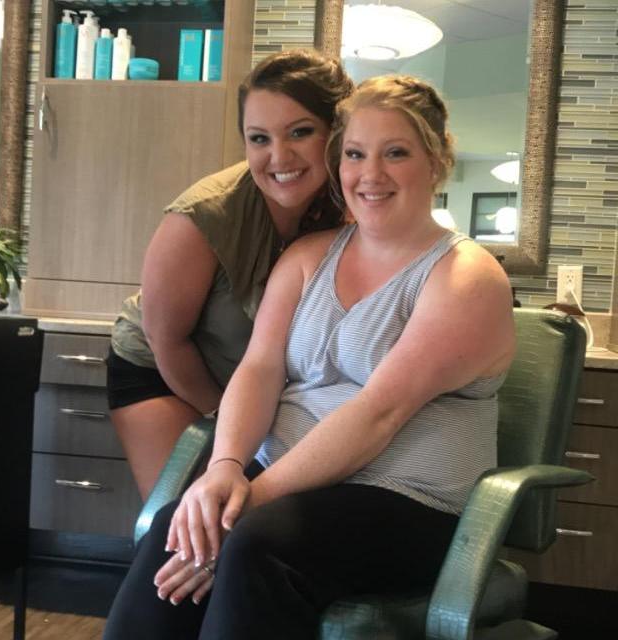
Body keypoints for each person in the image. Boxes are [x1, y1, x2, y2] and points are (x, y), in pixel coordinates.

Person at [103, 74, 516, 640]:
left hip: (411, 502)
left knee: (254, 545)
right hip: (289, 487)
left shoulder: (467, 278)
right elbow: (259, 368)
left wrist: (244, 508)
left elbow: (379, 412)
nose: (370, 174)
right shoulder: (307, 256)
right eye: (355, 154)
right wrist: (224, 469)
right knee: (175, 530)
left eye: (395, 153)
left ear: (437, 160)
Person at [107, 50, 354, 500]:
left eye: (300, 132)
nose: (279, 156)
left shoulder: (350, 210)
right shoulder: (202, 217)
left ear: (336, 134)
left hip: (259, 390)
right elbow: (167, 341)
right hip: (163, 372)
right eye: (259, 138)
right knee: (189, 519)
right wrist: (233, 430)